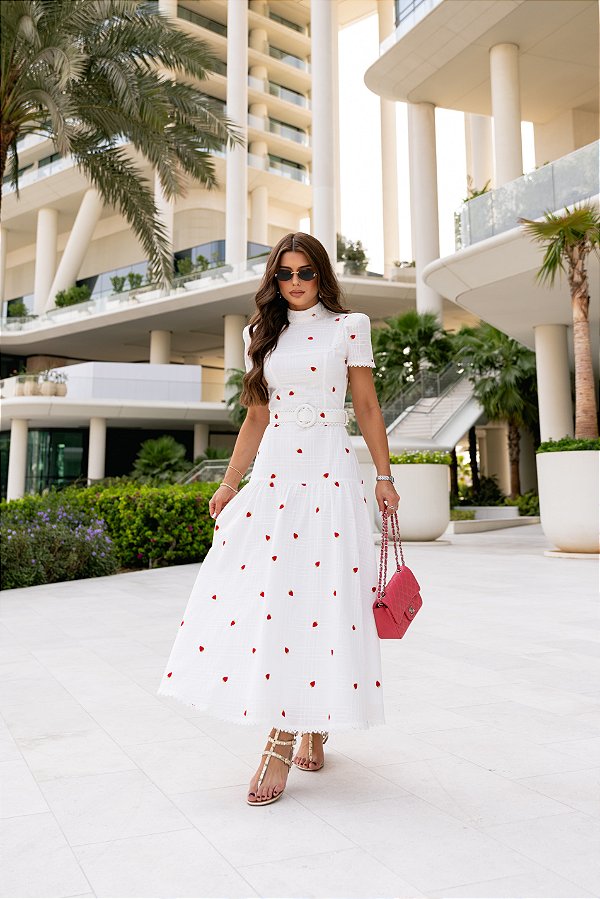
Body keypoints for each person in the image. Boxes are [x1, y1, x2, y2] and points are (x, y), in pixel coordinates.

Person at [157, 232, 401, 806]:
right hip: (275, 479)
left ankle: (301, 728)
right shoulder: (259, 335)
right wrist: (227, 482)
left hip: (330, 473)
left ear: (322, 278)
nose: (295, 283)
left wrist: (384, 476)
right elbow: (255, 418)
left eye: (306, 273)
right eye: (286, 273)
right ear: (274, 279)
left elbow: (366, 405)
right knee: (278, 598)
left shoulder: (349, 327)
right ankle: (288, 731)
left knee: (324, 597)